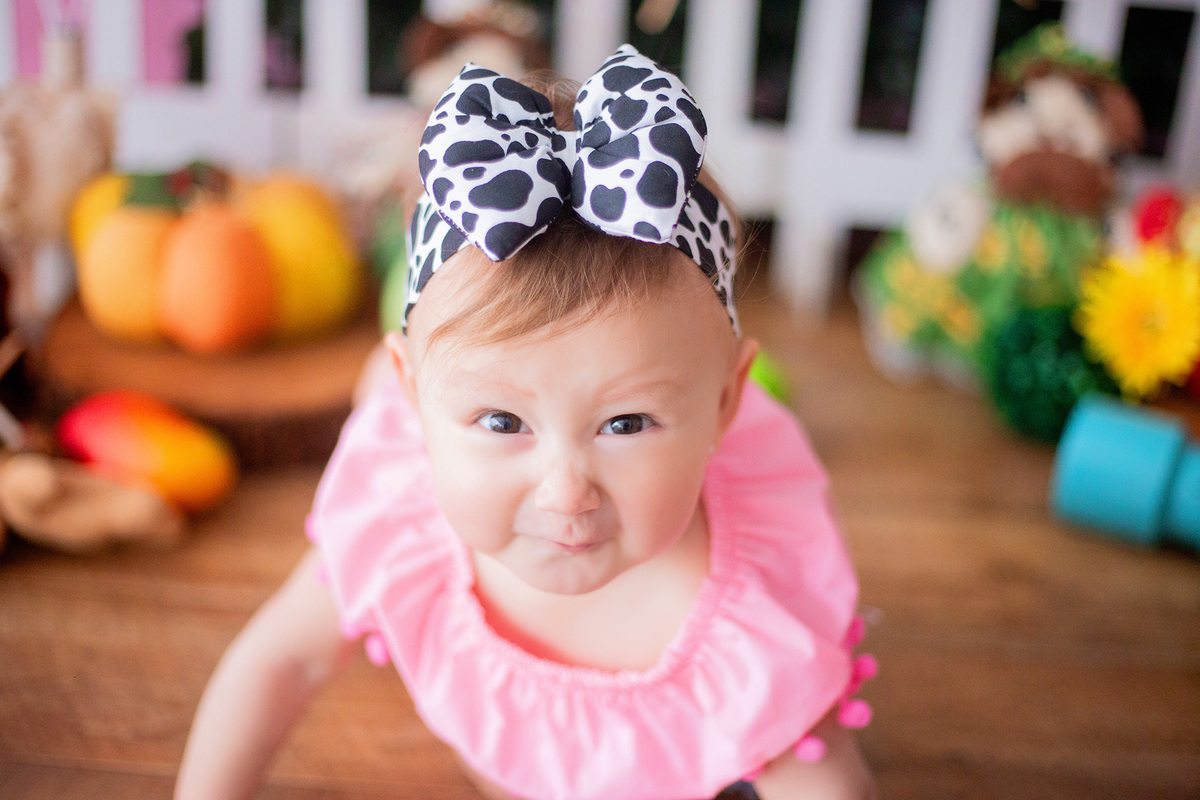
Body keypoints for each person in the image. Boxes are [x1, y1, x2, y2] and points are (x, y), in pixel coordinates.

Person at [175, 45, 878, 800]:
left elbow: (826, 783)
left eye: (626, 424)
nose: (566, 492)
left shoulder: (749, 621)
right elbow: (280, 660)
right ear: (413, 398)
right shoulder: (402, 521)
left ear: (724, 405)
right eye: (503, 421)